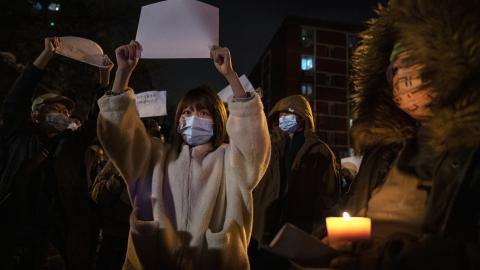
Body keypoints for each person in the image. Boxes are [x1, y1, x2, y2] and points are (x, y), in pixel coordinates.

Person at [322, 0, 480, 269]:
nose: (404, 79)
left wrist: (396, 257)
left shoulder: (471, 149)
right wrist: (324, 244)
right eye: (394, 69)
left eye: (416, 63)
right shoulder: (383, 150)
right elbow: (345, 213)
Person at [97, 41, 270, 270]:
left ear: (217, 120)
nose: (193, 117)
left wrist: (230, 75)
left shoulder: (230, 161)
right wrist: (122, 73)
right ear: (178, 122)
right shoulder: (154, 156)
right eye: (187, 112)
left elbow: (252, 141)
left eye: (203, 112)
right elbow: (119, 135)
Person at [0, 37, 113, 270]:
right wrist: (46, 56)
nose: (63, 114)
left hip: (57, 233)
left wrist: (104, 77)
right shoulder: (20, 137)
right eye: (55, 108)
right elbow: (15, 100)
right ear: (36, 114)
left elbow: (98, 118)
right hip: (14, 227)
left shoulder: (71, 143)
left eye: (66, 111)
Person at [249, 95, 340, 268]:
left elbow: (328, 197)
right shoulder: (266, 145)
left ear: (303, 117)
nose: (285, 118)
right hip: (261, 233)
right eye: (281, 114)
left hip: (298, 235)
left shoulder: (321, 152)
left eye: (290, 113)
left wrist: (318, 233)